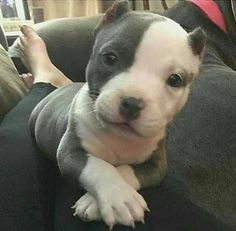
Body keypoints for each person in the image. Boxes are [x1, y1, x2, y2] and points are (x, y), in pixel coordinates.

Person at [0, 26, 233, 231]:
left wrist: (120, 181)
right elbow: (69, 153)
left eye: (173, 80)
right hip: (50, 111)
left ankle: (48, 80)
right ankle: (46, 81)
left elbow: (156, 168)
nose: (134, 100)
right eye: (111, 59)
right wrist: (105, 181)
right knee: (16, 139)